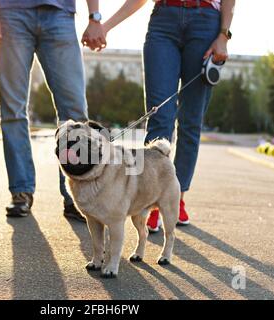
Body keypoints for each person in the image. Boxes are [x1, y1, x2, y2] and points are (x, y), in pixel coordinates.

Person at [84, 0, 235, 229]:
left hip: (206, 21)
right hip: (164, 21)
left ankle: (177, 197)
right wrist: (105, 27)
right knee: (159, 118)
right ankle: (151, 198)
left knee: (190, 122)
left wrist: (224, 34)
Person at [0, 0, 106, 221]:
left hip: (59, 14)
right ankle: (21, 191)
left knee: (75, 112)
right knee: (12, 109)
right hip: (11, 13)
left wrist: (94, 17)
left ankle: (76, 196)